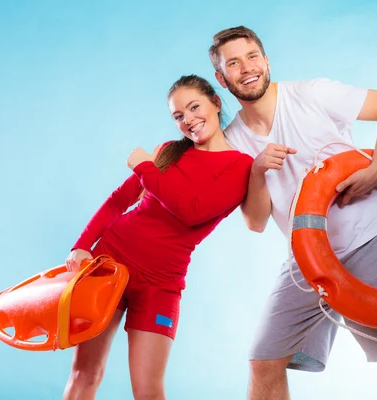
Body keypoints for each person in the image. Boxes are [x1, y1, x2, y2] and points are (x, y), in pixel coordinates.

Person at [208, 26, 377, 400]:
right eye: (233, 63)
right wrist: (257, 170)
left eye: (251, 57)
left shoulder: (311, 94)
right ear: (222, 78)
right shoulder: (233, 141)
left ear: (266, 61)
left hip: (373, 232)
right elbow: (255, 221)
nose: (246, 68)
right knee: (264, 361)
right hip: (310, 254)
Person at [61, 74, 253, 400]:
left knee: (148, 390)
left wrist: (144, 168)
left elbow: (191, 210)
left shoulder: (239, 166)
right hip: (107, 264)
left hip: (160, 284)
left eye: (194, 107)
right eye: (179, 116)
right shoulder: (168, 151)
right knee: (84, 375)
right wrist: (82, 245)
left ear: (216, 103)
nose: (189, 120)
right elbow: (118, 201)